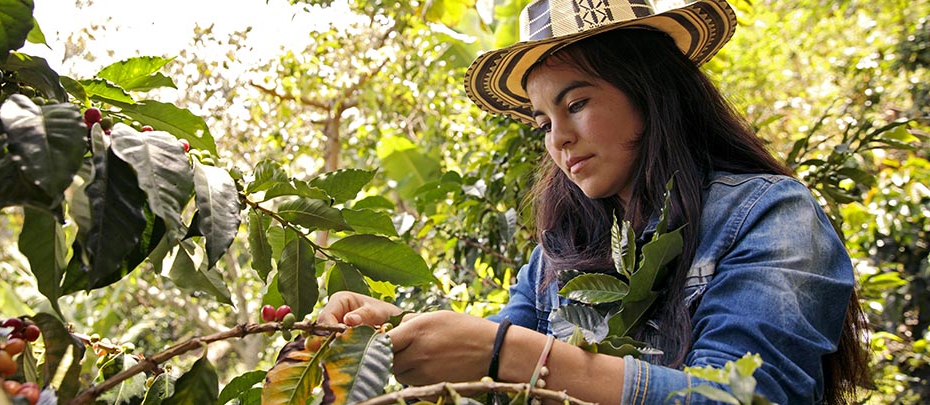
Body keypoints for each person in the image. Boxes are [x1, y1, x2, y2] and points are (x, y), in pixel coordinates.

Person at [316, 0, 870, 403]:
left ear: (651, 89)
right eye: (543, 123)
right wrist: (394, 330)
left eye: (576, 103)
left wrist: (512, 355)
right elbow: (492, 357)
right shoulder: (562, 248)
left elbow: (745, 397)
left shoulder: (770, 218)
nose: (558, 138)